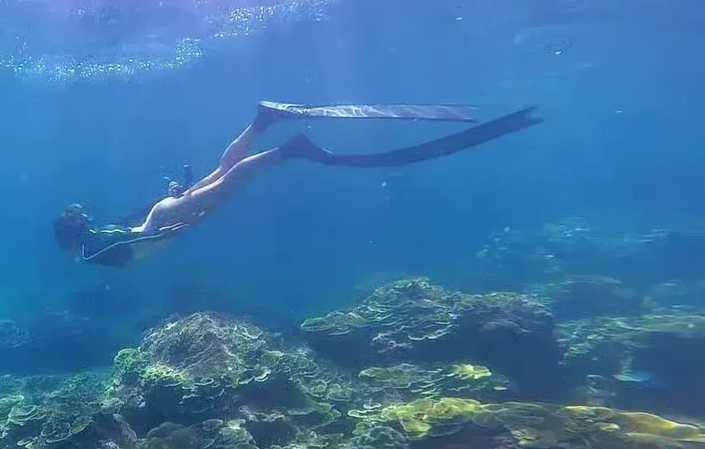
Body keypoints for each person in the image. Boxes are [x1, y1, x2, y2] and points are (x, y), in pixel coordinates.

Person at [53, 101, 543, 268]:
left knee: (233, 180)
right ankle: (264, 121)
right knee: (222, 173)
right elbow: (128, 233)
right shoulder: (91, 244)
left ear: (70, 240)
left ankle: (292, 149)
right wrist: (167, 217)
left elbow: (133, 247)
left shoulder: (92, 253)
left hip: (163, 221)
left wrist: (173, 228)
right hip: (160, 215)